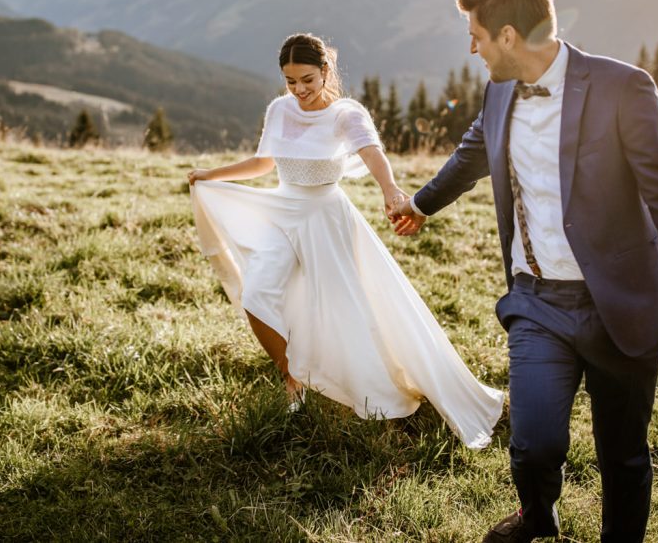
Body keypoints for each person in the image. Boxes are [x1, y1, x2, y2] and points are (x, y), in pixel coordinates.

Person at [389, 0, 658, 542]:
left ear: (508, 36)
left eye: (476, 35)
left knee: (622, 453)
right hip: (537, 301)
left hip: (622, 302)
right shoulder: (499, 90)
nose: (472, 48)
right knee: (533, 443)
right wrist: (421, 205)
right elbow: (473, 153)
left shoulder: (623, 88)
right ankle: (537, 517)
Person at [188, 33, 504, 448]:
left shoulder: (346, 114)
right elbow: (264, 162)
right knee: (257, 294)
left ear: (325, 71)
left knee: (342, 306)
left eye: (307, 80)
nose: (299, 90)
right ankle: (292, 377)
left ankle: (369, 387)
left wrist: (391, 191)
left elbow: (372, 153)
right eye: (290, 81)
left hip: (325, 217)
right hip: (282, 213)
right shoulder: (279, 109)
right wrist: (211, 175)